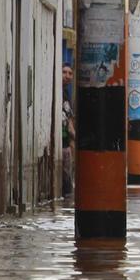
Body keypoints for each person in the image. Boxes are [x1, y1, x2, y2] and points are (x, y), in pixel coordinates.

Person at [61, 64, 75, 196]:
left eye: (70, 73)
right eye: (64, 72)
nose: (67, 76)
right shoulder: (58, 92)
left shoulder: (67, 94)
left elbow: (69, 120)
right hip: (60, 143)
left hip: (66, 143)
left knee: (67, 178)